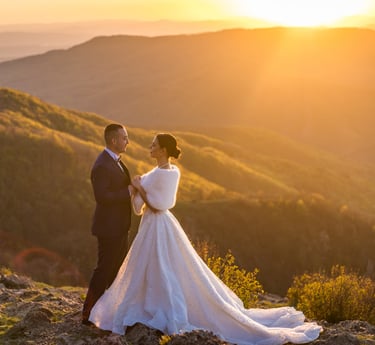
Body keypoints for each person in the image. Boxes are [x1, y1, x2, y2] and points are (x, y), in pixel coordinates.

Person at [89, 133, 322, 344]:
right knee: (154, 268)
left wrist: (139, 189)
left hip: (158, 226)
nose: (149, 147)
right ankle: (147, 305)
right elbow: (141, 208)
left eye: (154, 145)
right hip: (154, 226)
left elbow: (158, 205)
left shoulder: (163, 174)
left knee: (161, 267)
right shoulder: (163, 173)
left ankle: (158, 308)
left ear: (162, 150)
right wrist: (140, 189)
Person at [82, 123, 133, 325]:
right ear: (113, 140)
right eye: (124, 137)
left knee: (116, 270)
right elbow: (102, 197)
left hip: (120, 226)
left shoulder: (117, 162)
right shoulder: (102, 165)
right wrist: (128, 192)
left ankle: (107, 312)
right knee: (104, 269)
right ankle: (88, 313)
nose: (127, 141)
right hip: (109, 228)